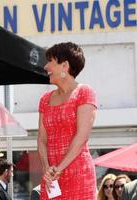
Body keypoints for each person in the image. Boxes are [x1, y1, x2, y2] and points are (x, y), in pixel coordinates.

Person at [37, 42, 97, 199]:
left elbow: (82, 137)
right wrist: (46, 169)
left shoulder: (84, 92)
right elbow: (41, 140)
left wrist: (59, 169)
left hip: (79, 175)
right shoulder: (45, 99)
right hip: (51, 178)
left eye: (50, 61)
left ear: (64, 66)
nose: (46, 67)